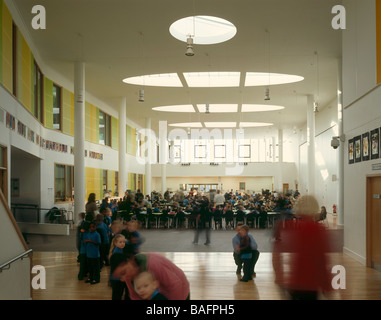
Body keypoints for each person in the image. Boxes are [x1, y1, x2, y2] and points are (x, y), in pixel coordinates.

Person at [272, 195, 332, 300]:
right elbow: (321, 260)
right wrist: (326, 286)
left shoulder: (286, 226)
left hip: (293, 283)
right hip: (311, 283)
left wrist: (279, 279)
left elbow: (276, 255)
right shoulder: (317, 229)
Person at [110, 252, 190, 300]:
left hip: (180, 290)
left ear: (129, 261)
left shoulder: (153, 263)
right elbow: (135, 296)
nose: (123, 279)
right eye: (120, 277)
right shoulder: (129, 276)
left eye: (123, 272)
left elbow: (176, 286)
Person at [109, 234, 130, 300]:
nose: (122, 244)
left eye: (123, 242)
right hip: (117, 279)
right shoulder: (116, 253)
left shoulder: (121, 250)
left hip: (120, 278)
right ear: (115, 243)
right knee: (117, 295)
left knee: (118, 294)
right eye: (120, 242)